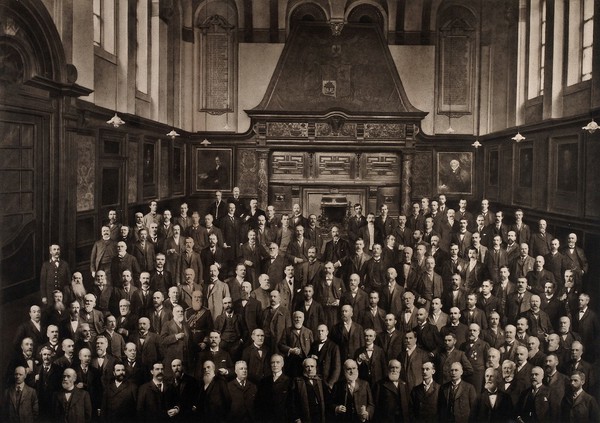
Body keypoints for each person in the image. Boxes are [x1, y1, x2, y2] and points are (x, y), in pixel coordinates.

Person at [290, 357, 326, 423]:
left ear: (315, 367)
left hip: (319, 415)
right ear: (304, 368)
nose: (310, 369)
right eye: (307, 366)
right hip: (305, 415)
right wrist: (296, 417)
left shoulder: (320, 381)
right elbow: (293, 402)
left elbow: (328, 399)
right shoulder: (298, 382)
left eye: (312, 366)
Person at [256, 354, 291, 422]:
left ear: (282, 364)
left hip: (283, 419)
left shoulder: (289, 381)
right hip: (267, 419)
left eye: (278, 362)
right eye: (273, 362)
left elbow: (290, 404)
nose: (275, 365)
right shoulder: (264, 381)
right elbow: (259, 402)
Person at [308, 324, 341, 391]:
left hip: (326, 381)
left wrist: (330, 384)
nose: (320, 333)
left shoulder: (334, 346)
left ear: (327, 332)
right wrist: (310, 357)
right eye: (319, 331)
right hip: (314, 379)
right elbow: (308, 358)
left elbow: (337, 368)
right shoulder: (314, 344)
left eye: (322, 331)